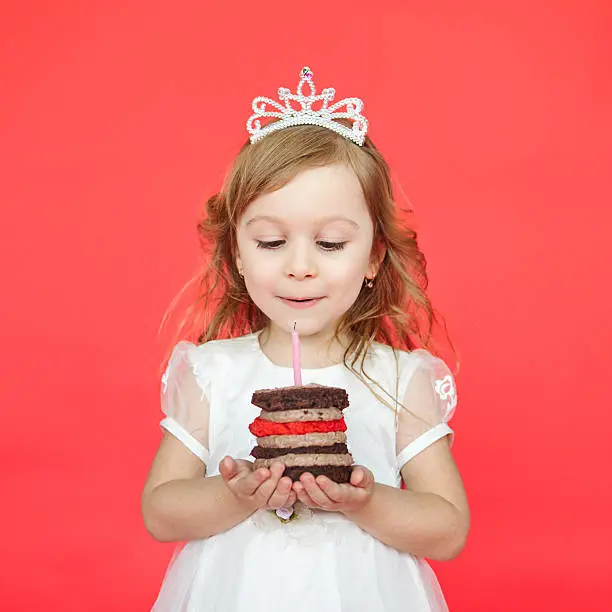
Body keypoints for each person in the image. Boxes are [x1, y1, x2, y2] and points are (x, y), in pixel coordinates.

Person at [142, 66, 470, 612]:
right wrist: (234, 495)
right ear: (238, 256)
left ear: (372, 256)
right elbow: (160, 511)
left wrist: (364, 504)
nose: (300, 267)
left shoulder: (400, 379)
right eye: (271, 241)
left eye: (331, 243)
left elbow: (448, 526)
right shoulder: (211, 373)